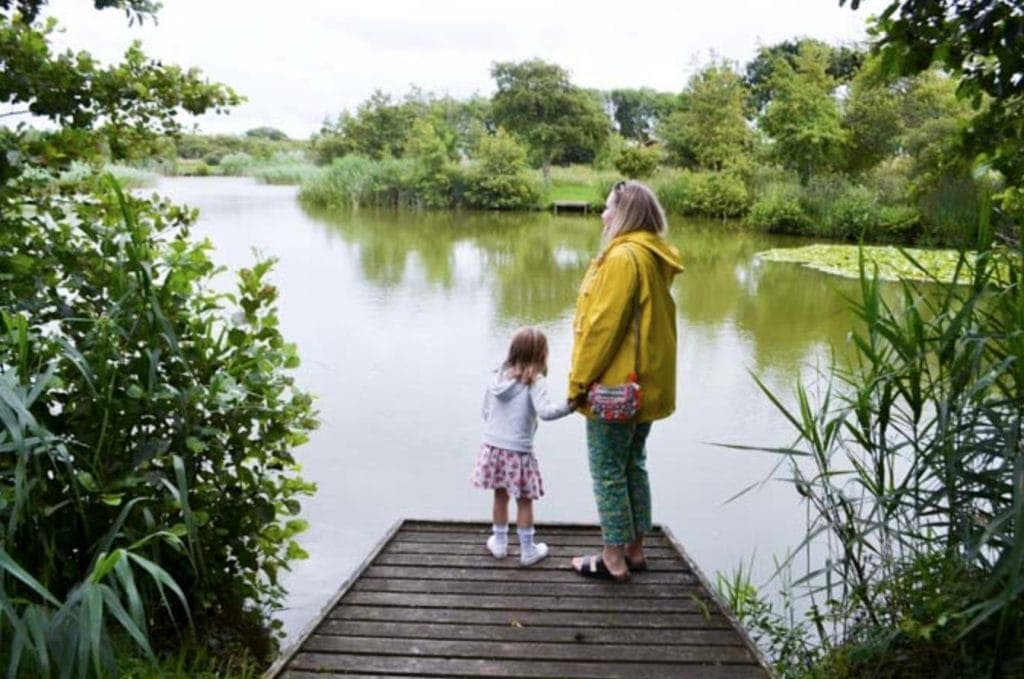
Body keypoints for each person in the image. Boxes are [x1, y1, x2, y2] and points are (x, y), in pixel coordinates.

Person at [567, 180, 684, 582]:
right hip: (643, 386)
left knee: (608, 470)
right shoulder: (651, 256)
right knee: (633, 464)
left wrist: (577, 383)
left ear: (625, 214)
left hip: (615, 388)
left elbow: (602, 329)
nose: (602, 215)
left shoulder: (622, 258)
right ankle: (635, 548)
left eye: (608, 208)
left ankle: (612, 557)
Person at [471, 326, 574, 566]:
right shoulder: (535, 381)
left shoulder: (496, 376)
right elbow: (546, 413)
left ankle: (499, 544)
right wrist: (572, 405)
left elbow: (485, 412)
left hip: (493, 447)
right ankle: (527, 550)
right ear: (541, 354)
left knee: (500, 496)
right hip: (518, 450)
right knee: (525, 500)